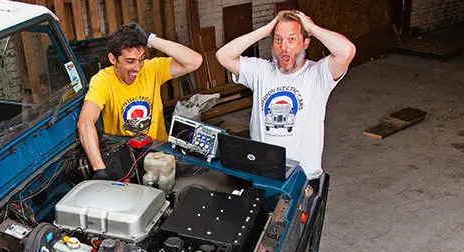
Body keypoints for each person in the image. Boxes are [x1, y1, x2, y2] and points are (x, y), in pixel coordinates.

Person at [216, 10, 355, 179]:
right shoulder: (260, 71)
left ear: (306, 43)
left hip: (302, 178)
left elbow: (347, 51)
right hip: (262, 174)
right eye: (278, 40)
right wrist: (266, 30)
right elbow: (223, 56)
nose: (284, 47)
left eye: (292, 39)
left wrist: (311, 27)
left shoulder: (319, 74)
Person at [77, 23, 203, 179]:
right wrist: (100, 169)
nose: (137, 68)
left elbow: (195, 61)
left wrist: (151, 39)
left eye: (141, 59)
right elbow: (85, 123)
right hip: (125, 158)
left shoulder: (152, 69)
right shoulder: (102, 81)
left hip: (159, 154)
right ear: (113, 59)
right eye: (130, 61)